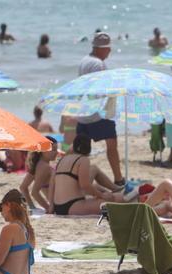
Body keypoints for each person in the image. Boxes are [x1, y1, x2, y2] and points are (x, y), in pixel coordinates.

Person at [76, 32, 123, 185]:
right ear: (101, 49)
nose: (109, 51)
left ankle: (74, 177)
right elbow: (100, 89)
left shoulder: (84, 61)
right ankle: (118, 178)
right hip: (97, 113)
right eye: (108, 48)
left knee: (80, 149)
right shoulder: (98, 64)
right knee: (112, 144)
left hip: (83, 112)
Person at [48, 134, 128, 216]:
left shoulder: (62, 160)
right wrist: (101, 195)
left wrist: (51, 204)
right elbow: (85, 186)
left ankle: (115, 189)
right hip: (73, 206)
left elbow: (52, 183)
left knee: (110, 195)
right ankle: (117, 190)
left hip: (58, 207)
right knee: (119, 198)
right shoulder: (83, 160)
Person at [19, 136, 58, 211]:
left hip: (54, 203)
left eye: (56, 149)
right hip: (56, 204)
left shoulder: (36, 164)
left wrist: (32, 207)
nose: (56, 152)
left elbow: (23, 187)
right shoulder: (45, 167)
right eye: (53, 150)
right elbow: (34, 192)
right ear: (42, 150)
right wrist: (48, 208)